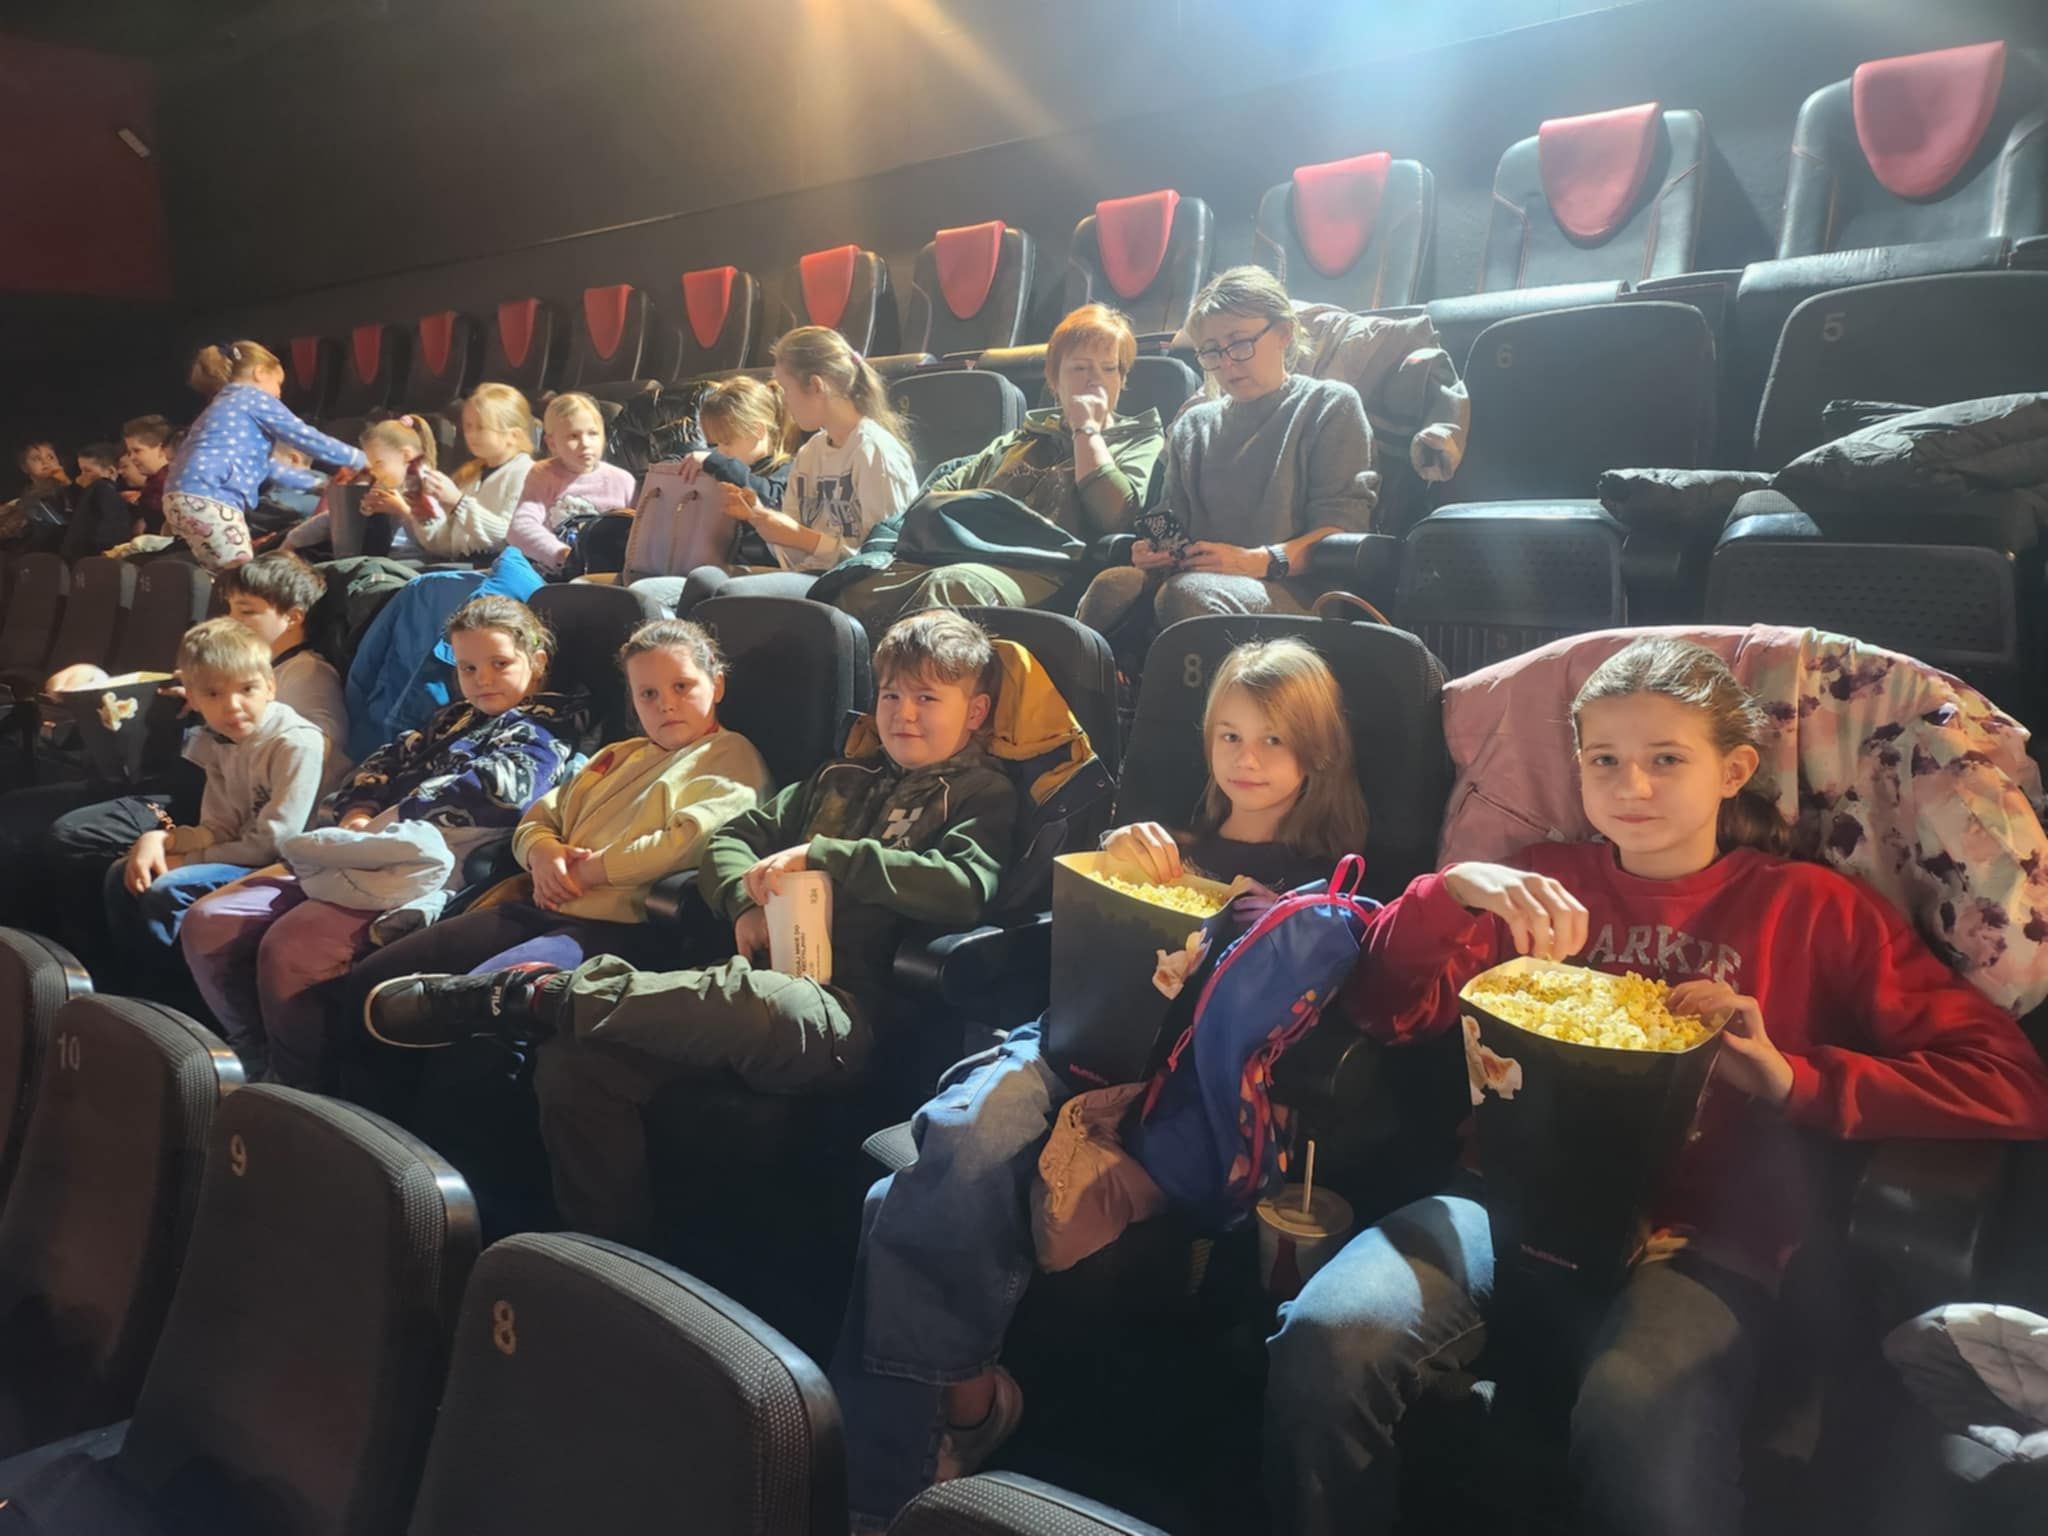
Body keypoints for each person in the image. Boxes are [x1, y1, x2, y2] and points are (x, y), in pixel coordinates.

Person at [1265, 636, 2048, 1536]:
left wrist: (1793, 1079)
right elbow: (1388, 1012)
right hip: (1505, 1200)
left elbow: (2008, 1082)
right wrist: (1453, 891)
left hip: (1705, 1235)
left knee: (1638, 1420)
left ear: (1733, 770)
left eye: (1666, 760)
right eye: (1603, 760)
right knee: (1327, 1342)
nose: (1630, 787)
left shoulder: (1810, 908)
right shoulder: (1540, 883)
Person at [831, 637, 1370, 1530]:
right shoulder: (1169, 845)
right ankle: (956, 1412)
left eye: (1273, 740)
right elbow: (1081, 939)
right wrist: (1114, 852)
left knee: (894, 1202)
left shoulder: (1324, 889)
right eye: (1229, 736)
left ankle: (894, 1474)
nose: (1246, 759)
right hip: (1071, 1042)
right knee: (959, 1133)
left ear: (1316, 751)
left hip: (1172, 1091)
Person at [362, 609, 1019, 1248]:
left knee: (757, 999)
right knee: (577, 1062)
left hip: (849, 1014)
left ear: (976, 712)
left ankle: (537, 995)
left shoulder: (980, 794)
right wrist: (741, 904)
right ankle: (604, 1253)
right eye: (891, 695)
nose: (903, 714)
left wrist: (827, 857)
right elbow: (731, 840)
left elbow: (964, 888)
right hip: (756, 977)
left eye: (927, 698)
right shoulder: (838, 779)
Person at [180, 595, 580, 1087]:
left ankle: (298, 1086)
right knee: (210, 922)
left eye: (499, 664)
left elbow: (501, 790)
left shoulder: (548, 726)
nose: (483, 679)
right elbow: (386, 759)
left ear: (535, 661)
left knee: (291, 948)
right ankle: (253, 1048)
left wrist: (398, 812)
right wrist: (360, 810)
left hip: (431, 863)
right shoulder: (455, 717)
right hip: (364, 843)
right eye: (468, 668)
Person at [335, 615, 770, 1000]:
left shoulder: (729, 755)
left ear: (716, 685)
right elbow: (540, 817)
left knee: (470, 1003)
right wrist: (542, 853)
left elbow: (688, 842)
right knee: (374, 980)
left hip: (618, 928)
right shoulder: (618, 754)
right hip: (542, 903)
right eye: (648, 694)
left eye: (682, 687)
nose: (666, 704)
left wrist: (588, 872)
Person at [1075, 266, 1375, 645]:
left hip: (1296, 588)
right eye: (1213, 351)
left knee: (1186, 595)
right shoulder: (1193, 425)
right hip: (1197, 582)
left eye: (1239, 343)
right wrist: (1153, 552)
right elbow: (1172, 520)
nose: (1227, 363)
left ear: (1283, 333)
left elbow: (1342, 531)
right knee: (1112, 586)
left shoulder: (1329, 405)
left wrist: (1255, 560)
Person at [826, 303, 1166, 632]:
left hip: (1050, 569)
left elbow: (1115, 516)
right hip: (970, 553)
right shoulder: (1021, 439)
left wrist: (1086, 429)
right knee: (855, 592)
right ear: (1054, 379)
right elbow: (940, 493)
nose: (1096, 380)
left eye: (1109, 368)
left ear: (1122, 379)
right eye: (1080, 368)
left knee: (951, 588)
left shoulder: (1138, 439)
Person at [92, 619, 328, 995]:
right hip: (243, 853)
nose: (232, 706)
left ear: (270, 686)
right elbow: (219, 826)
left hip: (290, 864)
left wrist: (184, 860)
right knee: (122, 874)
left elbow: (272, 844)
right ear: (194, 698)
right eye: (213, 694)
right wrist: (161, 841)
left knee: (167, 889)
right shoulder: (219, 740)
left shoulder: (296, 743)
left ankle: (176, 1000)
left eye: (247, 689)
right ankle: (133, 991)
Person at [673, 325, 918, 609]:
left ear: (816, 386)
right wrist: (760, 518)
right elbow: (794, 556)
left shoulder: (874, 451)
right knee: (701, 580)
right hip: (810, 576)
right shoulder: (810, 453)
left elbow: (883, 561)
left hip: (853, 588)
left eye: (787, 390)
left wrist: (802, 538)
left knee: (729, 595)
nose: (785, 403)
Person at [162, 341, 367, 570]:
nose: (279, 394)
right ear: (260, 373)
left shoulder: (223, 407)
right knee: (241, 573)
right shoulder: (252, 398)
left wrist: (317, 484)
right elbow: (304, 436)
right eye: (278, 384)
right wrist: (360, 459)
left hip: (180, 498)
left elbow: (268, 467)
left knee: (219, 571)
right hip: (212, 496)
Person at [628, 375, 799, 613]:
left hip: (753, 573)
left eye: (726, 443)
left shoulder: (787, 470)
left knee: (653, 593)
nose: (720, 451)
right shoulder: (725, 467)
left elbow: (771, 499)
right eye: (715, 445)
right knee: (639, 591)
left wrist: (716, 462)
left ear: (758, 430)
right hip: (705, 566)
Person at [215, 552, 352, 789]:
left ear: (293, 618)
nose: (231, 620)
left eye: (246, 612)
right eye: (230, 609)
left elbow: (322, 747)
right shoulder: (265, 668)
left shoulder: (308, 673)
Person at [401, 383, 537, 560]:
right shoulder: (471, 476)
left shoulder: (527, 474)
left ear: (513, 435)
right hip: (462, 566)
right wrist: (422, 512)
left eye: (481, 427)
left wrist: (458, 502)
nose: (471, 434)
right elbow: (448, 546)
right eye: (467, 427)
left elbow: (508, 537)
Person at [506, 392, 636, 573]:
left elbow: (641, 534)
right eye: (573, 436)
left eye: (593, 434)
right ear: (552, 443)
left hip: (607, 574)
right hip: (553, 572)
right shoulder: (543, 474)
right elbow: (519, 527)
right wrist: (562, 555)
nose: (585, 443)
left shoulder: (623, 481)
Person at [62, 441, 134, 560]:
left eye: (87, 471)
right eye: (81, 471)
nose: (80, 478)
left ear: (110, 471)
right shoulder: (101, 491)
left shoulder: (102, 489)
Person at [121, 414, 177, 535]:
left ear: (162, 449)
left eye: (137, 451)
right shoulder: (156, 483)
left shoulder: (169, 484)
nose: (132, 458)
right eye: (129, 452)